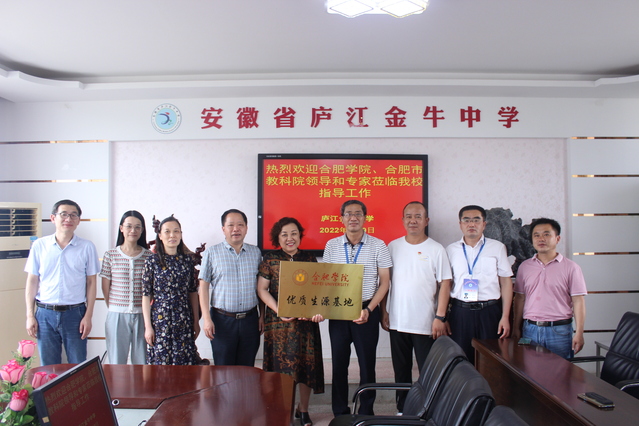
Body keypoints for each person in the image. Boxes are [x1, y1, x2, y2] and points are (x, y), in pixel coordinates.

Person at [323, 200, 392, 416]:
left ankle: (366, 411)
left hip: (366, 310)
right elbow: (325, 281)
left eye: (358, 214)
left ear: (365, 218)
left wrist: (370, 309)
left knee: (367, 365)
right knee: (339, 365)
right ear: (341, 218)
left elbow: (385, 282)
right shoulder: (331, 245)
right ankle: (340, 412)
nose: (353, 218)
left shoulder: (378, 245)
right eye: (348, 214)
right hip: (338, 312)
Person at [382, 201, 452, 413]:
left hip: (426, 323)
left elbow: (445, 283)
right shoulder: (392, 247)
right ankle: (402, 409)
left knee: (428, 372)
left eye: (418, 216)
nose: (413, 220)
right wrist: (384, 311)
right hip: (397, 321)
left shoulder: (436, 249)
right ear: (403, 220)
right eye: (409, 216)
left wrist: (440, 317)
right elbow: (385, 282)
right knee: (401, 371)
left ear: (426, 221)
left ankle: (428, 411)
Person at [257, 217, 325, 426]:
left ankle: (303, 409)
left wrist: (317, 311)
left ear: (300, 235)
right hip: (279, 323)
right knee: (280, 369)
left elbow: (317, 291)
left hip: (306, 324)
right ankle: (283, 409)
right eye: (284, 234)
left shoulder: (309, 259)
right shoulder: (270, 259)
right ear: (277, 237)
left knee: (306, 366)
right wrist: (279, 309)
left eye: (294, 233)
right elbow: (262, 289)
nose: (290, 238)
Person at [24, 199, 100, 365]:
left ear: (78, 221)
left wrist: (88, 316)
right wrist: (30, 315)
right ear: (53, 218)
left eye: (73, 215)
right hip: (44, 314)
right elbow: (32, 281)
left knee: (78, 365)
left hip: (75, 314)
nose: (68, 219)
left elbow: (91, 283)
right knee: (48, 367)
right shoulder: (39, 245)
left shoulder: (87, 247)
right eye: (64, 214)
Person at [445, 205, 513, 363]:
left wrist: (505, 316)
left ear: (484, 224)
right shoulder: (451, 250)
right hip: (460, 312)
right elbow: (446, 285)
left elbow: (506, 283)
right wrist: (443, 317)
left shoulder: (497, 248)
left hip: (489, 312)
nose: (471, 224)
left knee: (491, 359)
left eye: (476, 220)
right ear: (460, 224)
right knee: (461, 359)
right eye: (466, 220)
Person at [512, 218, 587, 359]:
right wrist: (516, 327)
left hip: (559, 331)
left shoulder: (571, 268)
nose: (541, 239)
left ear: (557, 238)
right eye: (536, 235)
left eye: (546, 234)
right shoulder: (525, 267)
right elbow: (520, 298)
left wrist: (579, 333)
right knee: (529, 370)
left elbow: (578, 301)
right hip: (530, 330)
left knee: (560, 371)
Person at [198, 209, 263, 366]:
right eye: (231, 225)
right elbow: (203, 287)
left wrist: (262, 316)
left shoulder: (255, 253)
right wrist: (207, 319)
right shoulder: (212, 253)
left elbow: (260, 287)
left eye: (240, 225)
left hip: (250, 321)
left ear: (246, 228)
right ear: (223, 229)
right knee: (223, 369)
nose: (236, 229)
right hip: (222, 321)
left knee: (247, 368)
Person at [142, 216, 199, 365]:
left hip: (183, 319)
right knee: (161, 364)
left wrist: (196, 321)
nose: (172, 235)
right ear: (160, 235)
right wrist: (148, 327)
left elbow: (193, 292)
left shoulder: (187, 261)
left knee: (184, 363)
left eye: (176, 231)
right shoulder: (152, 261)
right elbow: (146, 296)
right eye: (167, 231)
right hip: (160, 321)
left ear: (181, 234)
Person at [100, 210, 153, 364]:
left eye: (137, 227)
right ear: (121, 228)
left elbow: (151, 289)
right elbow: (105, 288)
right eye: (129, 226)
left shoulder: (149, 257)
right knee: (116, 362)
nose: (133, 230)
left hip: (142, 316)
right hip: (117, 316)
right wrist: (115, 307)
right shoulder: (110, 255)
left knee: (142, 362)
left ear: (142, 230)